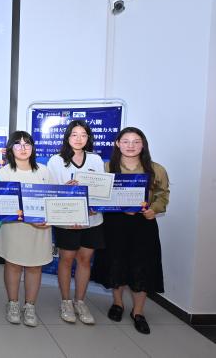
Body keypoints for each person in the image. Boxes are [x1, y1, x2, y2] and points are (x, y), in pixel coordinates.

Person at [91, 127, 170, 334]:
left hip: (143, 225)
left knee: (142, 266)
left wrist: (154, 209)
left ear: (143, 145)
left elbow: (162, 194)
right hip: (114, 224)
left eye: (136, 141)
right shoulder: (107, 168)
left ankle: (138, 312)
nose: (131, 146)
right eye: (125, 141)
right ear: (117, 144)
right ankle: (118, 303)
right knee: (116, 263)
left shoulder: (156, 169)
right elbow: (97, 194)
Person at [47, 119, 105, 325]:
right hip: (67, 219)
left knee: (85, 260)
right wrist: (66, 188)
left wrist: (94, 205)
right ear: (67, 137)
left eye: (83, 135)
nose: (79, 139)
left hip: (92, 219)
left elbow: (101, 190)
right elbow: (51, 192)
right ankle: (66, 301)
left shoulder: (96, 159)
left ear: (88, 137)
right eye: (74, 134)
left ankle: (80, 301)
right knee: (66, 259)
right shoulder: (56, 161)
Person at [0, 131, 53, 327]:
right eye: (18, 144)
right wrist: (28, 217)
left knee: (35, 266)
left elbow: (53, 199)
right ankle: (12, 303)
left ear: (33, 148)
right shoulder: (4, 173)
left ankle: (30, 306)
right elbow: (0, 203)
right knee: (13, 265)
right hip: (14, 228)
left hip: (40, 228)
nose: (23, 148)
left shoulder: (44, 171)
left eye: (27, 144)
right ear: (10, 149)